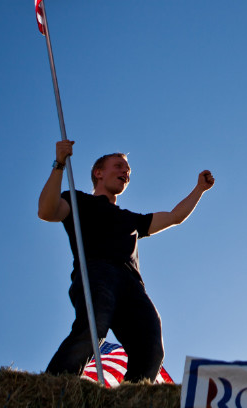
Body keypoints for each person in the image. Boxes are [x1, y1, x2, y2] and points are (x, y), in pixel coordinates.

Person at [38, 139, 215, 383]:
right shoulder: (78, 200)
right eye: (119, 166)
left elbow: (175, 216)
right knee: (92, 330)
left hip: (132, 284)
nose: (126, 172)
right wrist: (59, 164)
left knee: (151, 347)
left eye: (128, 171)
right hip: (98, 271)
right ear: (98, 173)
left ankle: (130, 399)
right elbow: (47, 212)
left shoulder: (131, 219)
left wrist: (199, 190)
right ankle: (52, 390)